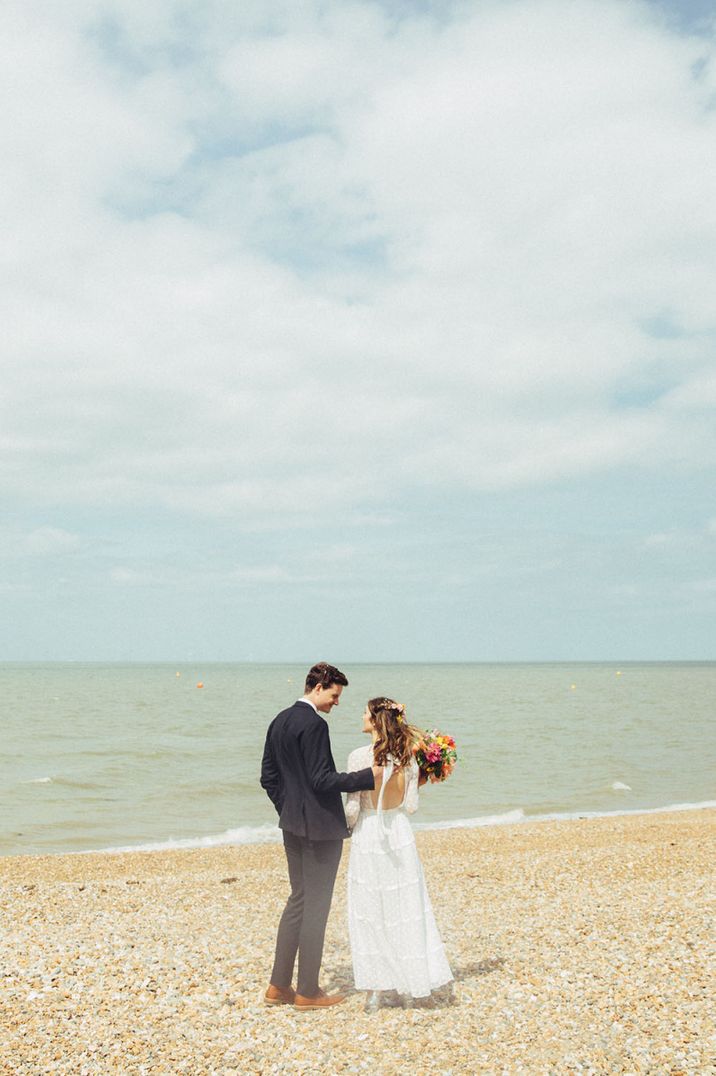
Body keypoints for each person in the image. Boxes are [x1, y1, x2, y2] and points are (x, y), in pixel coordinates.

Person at [260, 662, 382, 1012]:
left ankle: (278, 986)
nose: (336, 702)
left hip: (292, 826)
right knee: (315, 907)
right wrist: (367, 776)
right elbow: (322, 780)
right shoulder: (314, 724)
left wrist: (290, 809)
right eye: (335, 694)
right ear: (319, 686)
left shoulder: (280, 720)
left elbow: (268, 778)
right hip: (320, 830)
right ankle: (308, 991)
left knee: (298, 900)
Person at [345, 697, 453, 1011]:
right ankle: (413, 988)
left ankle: (376, 991)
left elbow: (353, 809)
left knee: (371, 911)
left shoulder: (358, 756)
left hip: (370, 836)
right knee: (406, 907)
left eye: (365, 712)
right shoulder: (408, 758)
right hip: (400, 833)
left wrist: (341, 829)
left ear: (377, 720)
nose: (361, 716)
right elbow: (412, 806)